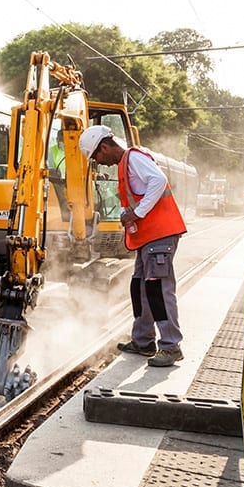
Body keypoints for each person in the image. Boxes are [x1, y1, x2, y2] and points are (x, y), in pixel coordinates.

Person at [79, 125, 187, 367]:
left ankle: (171, 346)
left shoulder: (134, 158)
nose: (99, 162)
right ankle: (143, 340)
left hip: (160, 235)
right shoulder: (125, 165)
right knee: (140, 286)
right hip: (148, 238)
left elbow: (159, 180)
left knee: (158, 289)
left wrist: (137, 213)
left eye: (96, 156)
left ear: (104, 147)